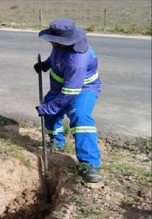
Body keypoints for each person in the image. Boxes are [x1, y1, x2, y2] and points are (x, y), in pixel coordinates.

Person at [34, 18, 103, 183]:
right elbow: (56, 57)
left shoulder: (77, 60)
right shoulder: (61, 46)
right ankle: (57, 142)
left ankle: (89, 164)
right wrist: (46, 64)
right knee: (51, 112)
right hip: (61, 87)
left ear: (68, 41)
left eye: (55, 41)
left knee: (81, 118)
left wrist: (49, 107)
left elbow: (71, 92)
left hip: (83, 90)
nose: (52, 43)